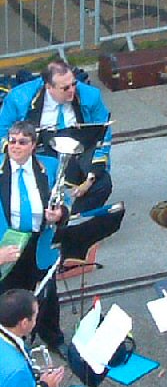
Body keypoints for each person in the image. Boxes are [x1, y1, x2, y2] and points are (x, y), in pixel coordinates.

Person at [0, 59, 112, 213]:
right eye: (65, 88)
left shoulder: (91, 96)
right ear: (48, 87)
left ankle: (69, 219)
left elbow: (103, 135)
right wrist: (23, 158)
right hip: (38, 153)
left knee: (103, 184)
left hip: (76, 153)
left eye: (74, 84)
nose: (72, 90)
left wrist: (91, 177)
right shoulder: (19, 98)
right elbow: (2, 132)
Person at [0, 121, 67, 358]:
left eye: (22, 142)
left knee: (46, 294)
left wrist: (59, 215)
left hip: (40, 242)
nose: (15, 146)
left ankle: (52, 336)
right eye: (12, 141)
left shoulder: (48, 166)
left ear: (34, 145)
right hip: (9, 244)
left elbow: (64, 200)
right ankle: (12, 343)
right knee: (9, 298)